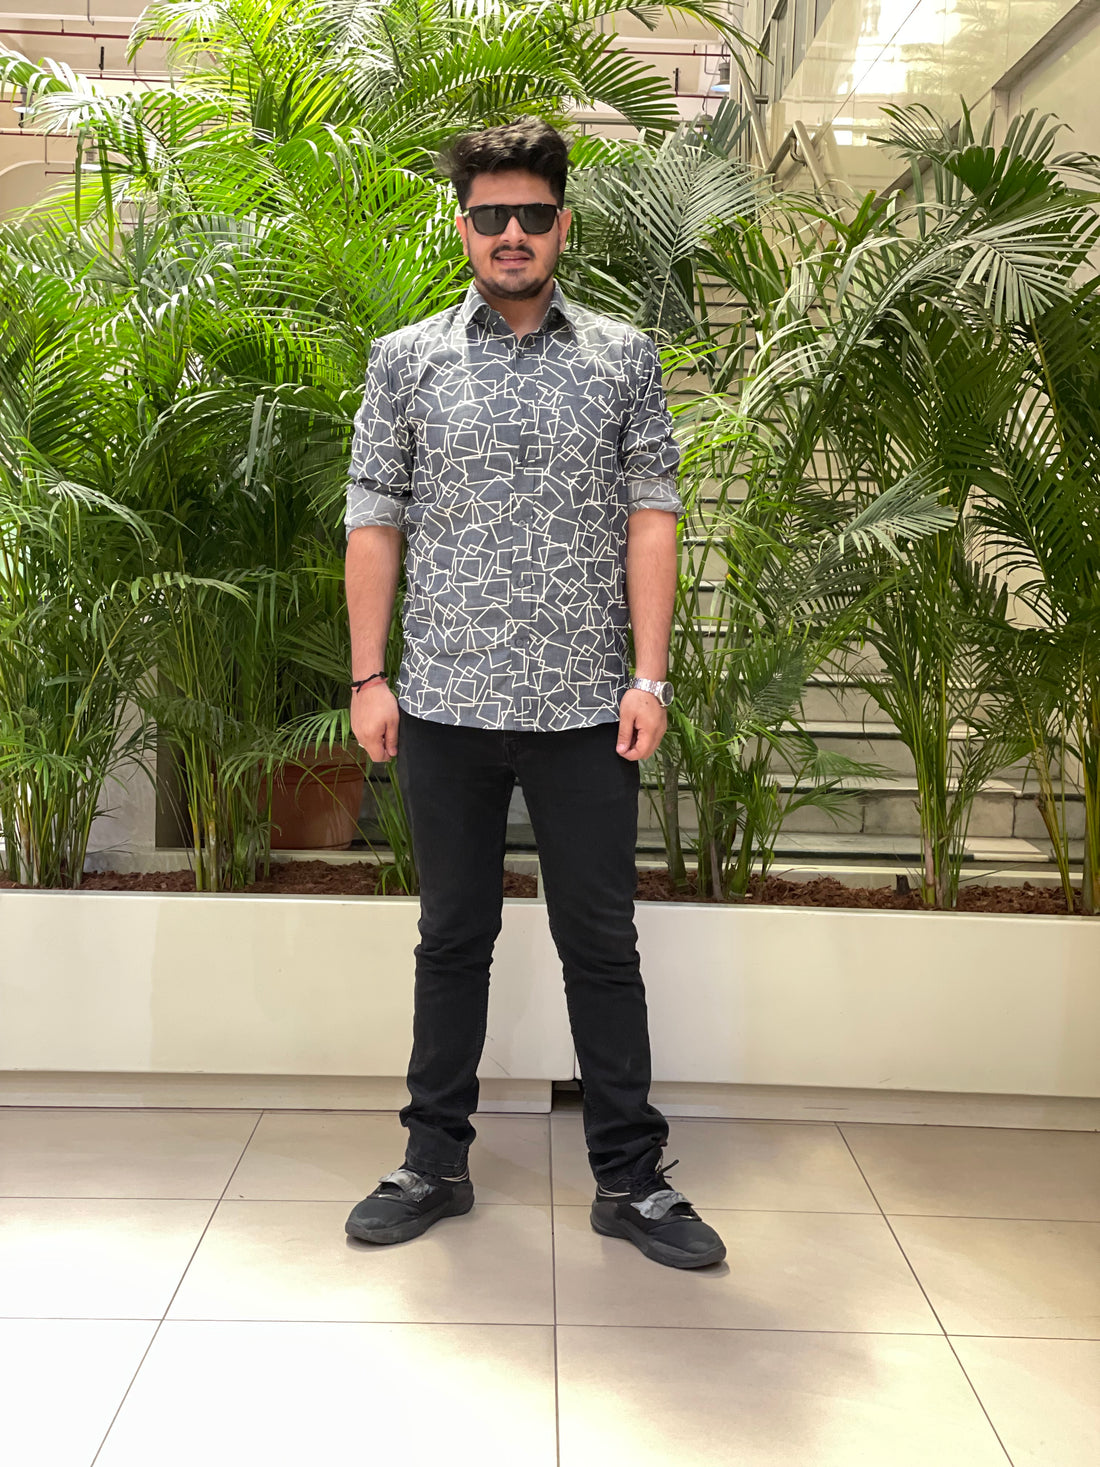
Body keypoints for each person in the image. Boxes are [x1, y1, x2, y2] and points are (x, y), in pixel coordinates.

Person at [342, 118, 725, 1270]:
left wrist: (648, 675)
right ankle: (432, 1162)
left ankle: (631, 1180)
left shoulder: (621, 356)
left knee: (599, 943)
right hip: (444, 702)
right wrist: (368, 674)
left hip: (585, 707)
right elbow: (373, 522)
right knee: (450, 937)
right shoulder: (405, 360)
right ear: (461, 225)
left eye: (533, 214)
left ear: (562, 223)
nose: (511, 233)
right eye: (489, 215)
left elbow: (651, 518)